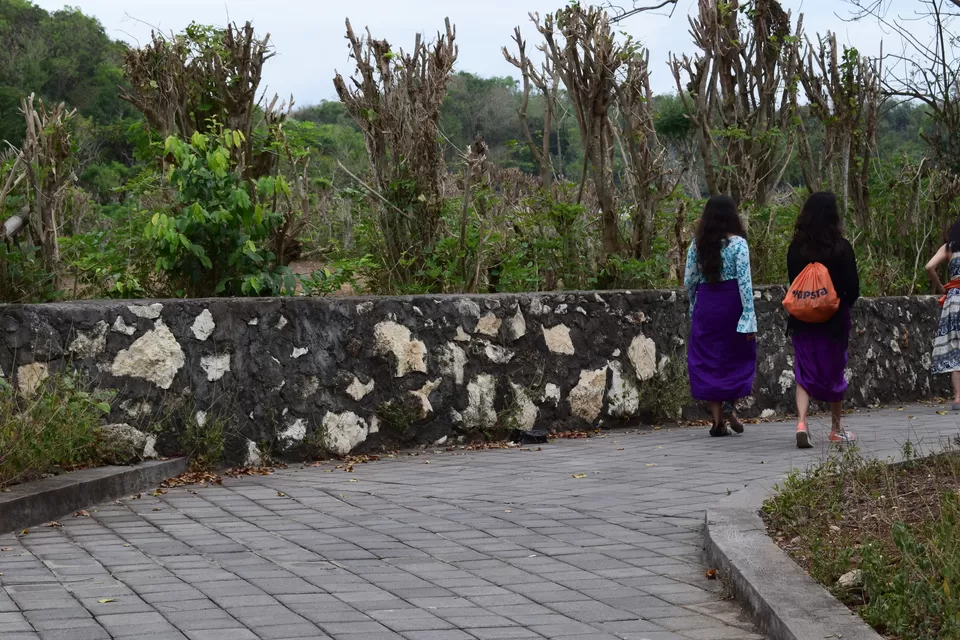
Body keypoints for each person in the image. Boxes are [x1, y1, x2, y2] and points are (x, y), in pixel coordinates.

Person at [788, 192, 860, 448]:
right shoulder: (841, 247)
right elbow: (853, 289)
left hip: (802, 319)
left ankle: (801, 423)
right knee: (835, 370)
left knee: (803, 370)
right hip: (834, 322)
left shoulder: (796, 248)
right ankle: (835, 429)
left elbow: (793, 282)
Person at [684, 195, 757, 437]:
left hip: (707, 303)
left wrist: (695, 305)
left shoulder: (698, 245)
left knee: (709, 359)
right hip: (732, 304)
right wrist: (748, 315)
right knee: (735, 356)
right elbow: (745, 282)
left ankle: (717, 422)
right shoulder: (739, 244)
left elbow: (689, 281)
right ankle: (729, 405)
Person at [925, 220, 960, 409]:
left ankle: (958, 397)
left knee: (956, 349)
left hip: (954, 301)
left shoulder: (948, 248)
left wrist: (940, 287)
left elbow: (929, 266)